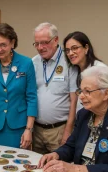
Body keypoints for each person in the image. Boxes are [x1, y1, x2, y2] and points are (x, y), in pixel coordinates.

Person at [38, 66, 108, 172]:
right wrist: (56, 154)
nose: (81, 97)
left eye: (87, 91)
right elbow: (71, 146)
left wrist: (77, 169)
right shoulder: (84, 115)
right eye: (80, 91)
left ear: (106, 94)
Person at [32, 22, 78, 154]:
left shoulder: (69, 61)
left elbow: (74, 100)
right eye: (37, 43)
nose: (40, 47)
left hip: (59, 130)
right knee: (37, 168)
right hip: (37, 130)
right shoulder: (33, 62)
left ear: (56, 39)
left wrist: (68, 131)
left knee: (58, 169)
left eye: (45, 42)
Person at [62, 31, 108, 111]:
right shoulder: (75, 70)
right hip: (83, 119)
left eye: (75, 48)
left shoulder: (100, 69)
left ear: (86, 48)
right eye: (67, 50)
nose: (70, 53)